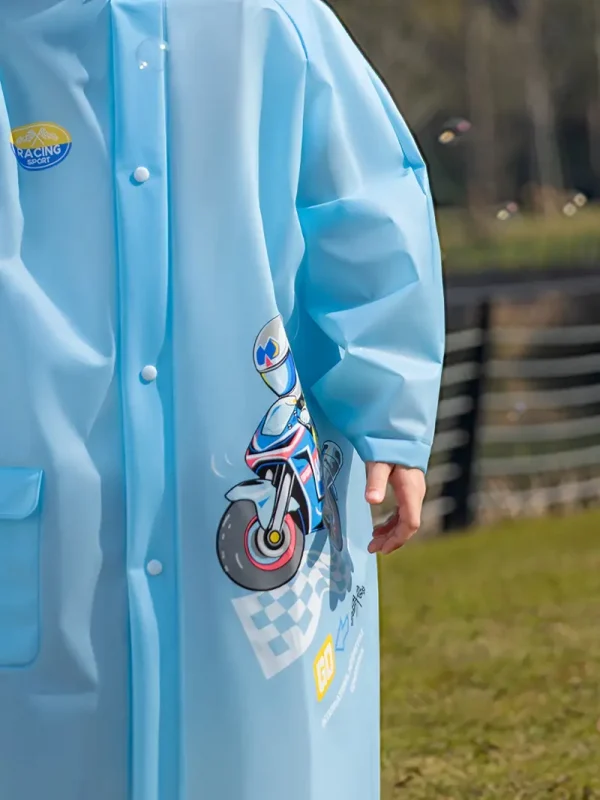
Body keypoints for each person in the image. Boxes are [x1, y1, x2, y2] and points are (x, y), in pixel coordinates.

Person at [0, 0, 444, 798]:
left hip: (247, 472)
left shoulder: (272, 20)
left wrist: (391, 409)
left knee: (261, 747)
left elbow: (367, 201)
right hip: (46, 498)